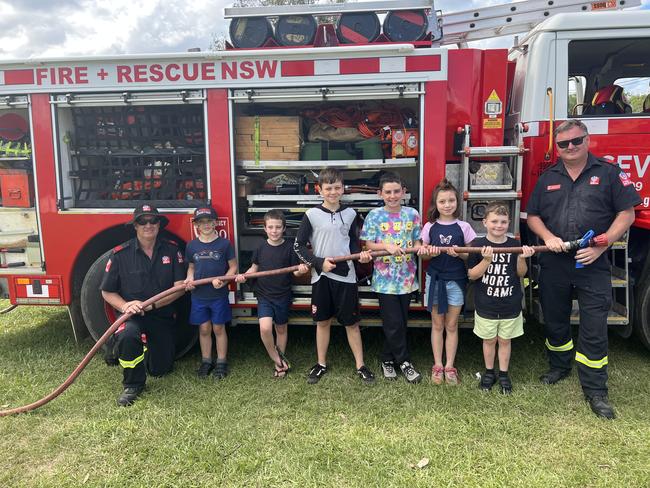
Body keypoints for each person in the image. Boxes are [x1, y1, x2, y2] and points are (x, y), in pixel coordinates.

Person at [526, 119, 640, 419]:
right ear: (557, 147)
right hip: (554, 261)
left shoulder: (608, 173)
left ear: (587, 140)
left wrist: (603, 244)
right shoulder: (548, 177)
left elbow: (626, 214)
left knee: (594, 326)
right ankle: (559, 366)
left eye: (576, 141)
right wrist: (548, 238)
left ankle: (596, 390)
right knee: (555, 319)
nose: (570, 147)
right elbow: (533, 216)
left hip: (591, 261)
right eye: (563, 144)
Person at [294, 167, 375, 385]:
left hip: (345, 276)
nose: (333, 192)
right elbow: (299, 245)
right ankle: (321, 364)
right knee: (322, 322)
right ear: (319, 189)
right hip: (321, 276)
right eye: (328, 188)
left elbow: (355, 245)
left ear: (343, 189)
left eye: (337, 187)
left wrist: (361, 258)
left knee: (352, 323)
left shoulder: (350, 214)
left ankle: (361, 365)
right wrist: (319, 263)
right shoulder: (311, 215)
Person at [101, 204, 186, 407]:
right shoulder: (121, 254)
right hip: (132, 316)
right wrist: (125, 306)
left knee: (161, 369)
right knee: (129, 335)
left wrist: (151, 306)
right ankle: (132, 384)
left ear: (159, 225)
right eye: (142, 221)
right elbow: (107, 291)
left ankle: (131, 348)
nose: (148, 225)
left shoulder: (172, 250)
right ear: (135, 226)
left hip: (160, 315)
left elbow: (180, 288)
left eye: (152, 221)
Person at [360, 172, 426, 383]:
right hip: (384, 279)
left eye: (396, 191)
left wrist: (418, 249)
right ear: (380, 194)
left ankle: (387, 359)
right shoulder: (374, 216)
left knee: (400, 322)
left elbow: (417, 241)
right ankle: (404, 362)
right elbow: (368, 244)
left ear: (403, 192)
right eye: (388, 192)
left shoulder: (412, 214)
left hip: (406, 278)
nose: (392, 195)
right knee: (393, 321)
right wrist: (386, 246)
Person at [467, 202, 535, 394]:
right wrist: (487, 261)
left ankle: (504, 373)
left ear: (509, 223)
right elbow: (472, 275)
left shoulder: (514, 245)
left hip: (510, 303)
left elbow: (521, 274)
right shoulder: (478, 245)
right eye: (494, 221)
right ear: (485, 222)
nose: (499, 225)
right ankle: (489, 372)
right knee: (489, 340)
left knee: (505, 340)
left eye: (503, 222)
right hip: (486, 304)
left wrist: (522, 258)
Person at [235, 210, 310, 378]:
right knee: (265, 328)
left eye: (278, 227)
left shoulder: (289, 248)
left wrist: (301, 270)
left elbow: (295, 273)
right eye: (271, 227)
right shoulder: (260, 248)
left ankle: (280, 363)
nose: (274, 231)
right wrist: (243, 276)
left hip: (283, 295)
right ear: (264, 228)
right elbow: (254, 268)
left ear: (284, 228)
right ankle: (275, 358)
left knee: (281, 329)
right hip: (264, 296)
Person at [420, 178, 477, 385]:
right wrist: (429, 253)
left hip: (456, 281)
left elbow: (472, 255)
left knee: (451, 325)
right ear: (436, 204)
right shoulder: (429, 226)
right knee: (437, 324)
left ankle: (450, 366)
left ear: (456, 202)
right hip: (435, 280)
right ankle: (437, 366)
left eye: (451, 200)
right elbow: (423, 255)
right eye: (442, 201)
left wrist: (461, 254)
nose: (447, 205)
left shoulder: (464, 227)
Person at [184, 206, 237, 380]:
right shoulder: (192, 246)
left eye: (209, 221)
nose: (206, 225)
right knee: (204, 328)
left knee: (218, 327)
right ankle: (206, 361)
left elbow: (233, 267)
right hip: (199, 296)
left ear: (215, 223)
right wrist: (189, 280)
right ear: (197, 225)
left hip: (218, 296)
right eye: (202, 222)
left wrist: (223, 280)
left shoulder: (224, 244)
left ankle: (221, 362)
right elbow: (191, 267)